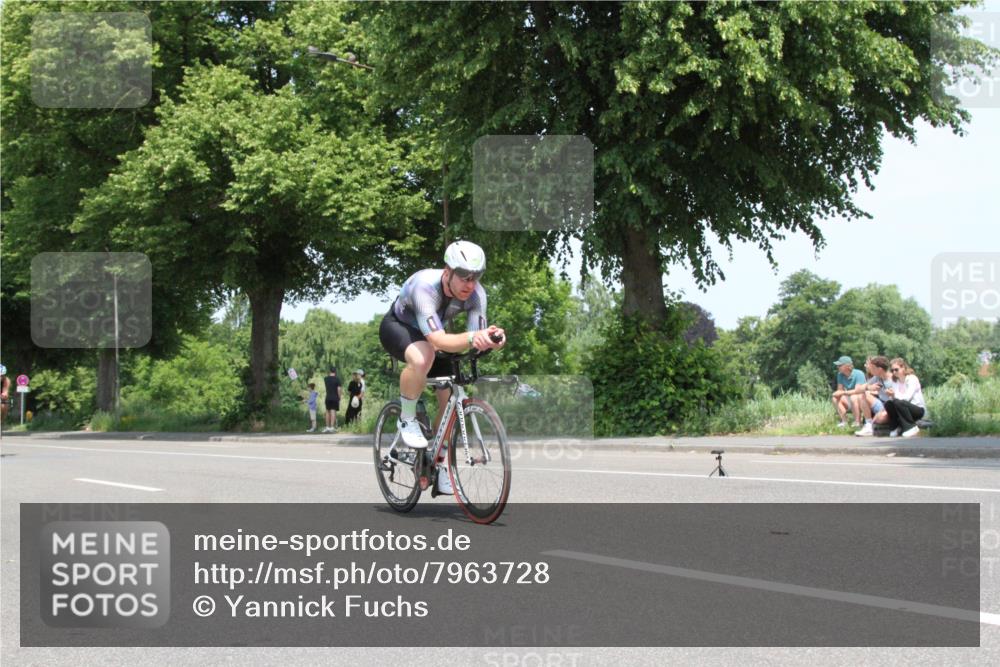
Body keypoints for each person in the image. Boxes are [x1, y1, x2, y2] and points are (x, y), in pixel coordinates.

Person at [379, 240, 505, 495]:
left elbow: (472, 340)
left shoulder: (477, 295)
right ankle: (406, 418)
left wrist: (491, 340)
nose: (470, 284)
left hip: (433, 331)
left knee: (449, 399)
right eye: (464, 277)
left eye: (476, 277)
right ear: (447, 273)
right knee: (424, 355)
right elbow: (437, 341)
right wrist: (472, 338)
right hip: (399, 327)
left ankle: (440, 462)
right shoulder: (425, 286)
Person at [883, 357, 927, 438]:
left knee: (898, 402)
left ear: (903, 367)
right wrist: (891, 396)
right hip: (903, 408)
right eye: (892, 370)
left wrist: (894, 395)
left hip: (917, 409)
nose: (894, 372)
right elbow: (895, 400)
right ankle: (895, 427)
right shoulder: (895, 381)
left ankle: (911, 427)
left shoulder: (912, 379)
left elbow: (907, 398)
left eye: (896, 369)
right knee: (888, 404)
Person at [855, 356, 893, 436]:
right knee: (863, 394)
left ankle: (875, 423)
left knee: (880, 418)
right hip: (881, 405)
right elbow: (857, 390)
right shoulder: (876, 378)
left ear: (879, 369)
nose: (870, 369)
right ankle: (868, 425)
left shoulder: (893, 379)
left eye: (872, 368)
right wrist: (869, 387)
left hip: (891, 407)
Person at [830, 356, 867, 428]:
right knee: (835, 398)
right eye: (838, 365)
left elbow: (857, 391)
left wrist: (843, 393)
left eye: (840, 365)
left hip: (861, 399)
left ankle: (857, 422)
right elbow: (840, 390)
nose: (838, 367)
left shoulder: (859, 374)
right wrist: (836, 393)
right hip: (849, 398)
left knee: (853, 397)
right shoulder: (840, 375)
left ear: (847, 366)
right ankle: (844, 421)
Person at [322, 367, 342, 433]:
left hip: (327, 397)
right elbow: (339, 389)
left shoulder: (326, 379)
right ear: (335, 372)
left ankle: (327, 427)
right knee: (333, 411)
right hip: (334, 397)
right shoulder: (337, 379)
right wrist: (339, 397)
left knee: (327, 412)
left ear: (330, 371)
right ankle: (332, 427)